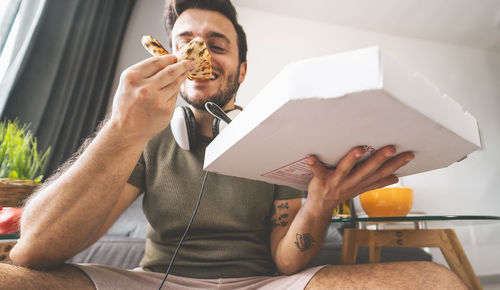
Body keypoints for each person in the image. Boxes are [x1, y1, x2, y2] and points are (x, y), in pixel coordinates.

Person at [1, 0, 467, 289]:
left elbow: (289, 261)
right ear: (165, 56)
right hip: (153, 282)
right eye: (184, 42)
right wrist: (121, 129)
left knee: (434, 281)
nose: (197, 53)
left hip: (260, 284)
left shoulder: (283, 139)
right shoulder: (144, 137)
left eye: (216, 45)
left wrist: (318, 204)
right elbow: (32, 249)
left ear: (241, 70)